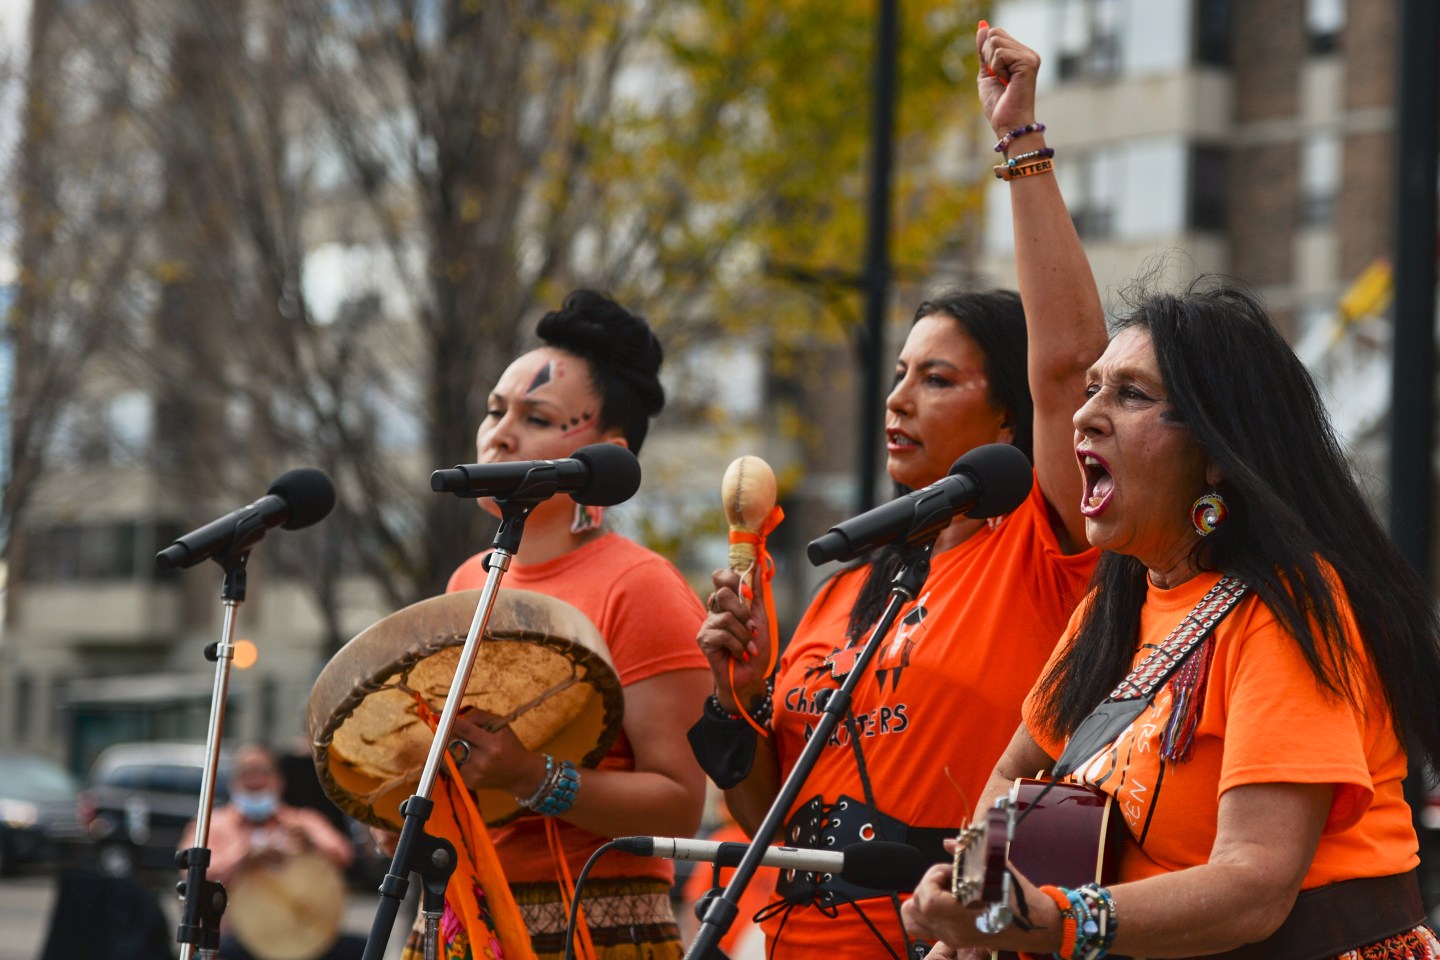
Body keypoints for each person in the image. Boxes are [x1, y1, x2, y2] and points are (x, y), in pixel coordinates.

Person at [902, 25, 1440, 960]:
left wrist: (1057, 922)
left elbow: (1254, 886)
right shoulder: (1120, 601)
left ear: (1218, 455)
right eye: (1093, 392)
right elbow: (1013, 775)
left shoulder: (1284, 613)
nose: (1085, 415)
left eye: (1131, 395)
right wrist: (975, 902)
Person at [691, 39, 1109, 957]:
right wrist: (740, 699)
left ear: (1011, 418)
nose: (897, 400)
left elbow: (1072, 365)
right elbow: (769, 823)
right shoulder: (850, 583)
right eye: (897, 375)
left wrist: (1021, 142)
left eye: (937, 379)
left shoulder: (1043, 549)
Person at [403, 290, 712, 960]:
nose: (500, 435)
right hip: (459, 921)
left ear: (608, 454)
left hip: (595, 931)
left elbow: (680, 806)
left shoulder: (642, 587)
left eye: (536, 418)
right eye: (495, 410)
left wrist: (532, 777)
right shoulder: (468, 579)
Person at [179, 743, 362, 960]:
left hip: (303, 937)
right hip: (234, 939)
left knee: (359, 947)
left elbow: (345, 855)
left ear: (279, 780)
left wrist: (312, 844)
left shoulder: (302, 821)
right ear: (233, 782)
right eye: (247, 773)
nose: (255, 780)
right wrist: (245, 857)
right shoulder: (212, 825)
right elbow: (191, 874)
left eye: (262, 772)